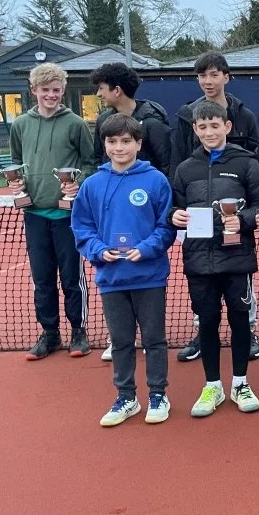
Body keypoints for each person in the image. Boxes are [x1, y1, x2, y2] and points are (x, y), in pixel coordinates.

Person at [71, 114, 176, 426]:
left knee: (154, 339)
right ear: (105, 145)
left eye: (126, 141)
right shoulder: (91, 185)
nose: (119, 147)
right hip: (111, 277)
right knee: (121, 341)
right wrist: (98, 251)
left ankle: (158, 394)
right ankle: (126, 397)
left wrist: (145, 248)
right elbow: (82, 227)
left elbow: (166, 226)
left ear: (138, 144)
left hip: (150, 276)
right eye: (113, 141)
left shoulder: (156, 180)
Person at [171, 100, 259, 417]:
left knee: (240, 320)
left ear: (227, 126)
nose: (209, 131)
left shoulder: (246, 163)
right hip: (198, 260)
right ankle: (212, 385)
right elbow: (173, 208)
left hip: (236, 257)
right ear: (195, 129)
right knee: (208, 323)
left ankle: (240, 383)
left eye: (215, 125)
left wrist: (242, 220)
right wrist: (176, 215)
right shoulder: (185, 169)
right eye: (203, 127)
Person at [171, 52, 259, 362]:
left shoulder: (245, 115)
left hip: (234, 215)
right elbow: (181, 162)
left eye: (213, 74)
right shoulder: (187, 115)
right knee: (202, 284)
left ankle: (248, 331)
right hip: (197, 213)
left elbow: (256, 159)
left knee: (240, 285)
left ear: (226, 76)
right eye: (202, 75)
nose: (207, 81)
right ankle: (203, 331)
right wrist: (179, 209)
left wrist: (236, 191)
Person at [7, 62, 98, 360]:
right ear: (34, 91)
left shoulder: (75, 123)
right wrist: (17, 183)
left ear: (63, 90)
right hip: (33, 215)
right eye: (45, 90)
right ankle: (50, 333)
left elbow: (89, 163)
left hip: (67, 216)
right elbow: (16, 160)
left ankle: (78, 332)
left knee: (72, 277)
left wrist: (77, 184)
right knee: (42, 278)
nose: (51, 95)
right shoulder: (20, 124)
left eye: (56, 90)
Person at [91, 61, 173, 362]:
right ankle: (121, 338)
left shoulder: (152, 120)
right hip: (115, 218)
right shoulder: (103, 121)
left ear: (117, 89)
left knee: (149, 295)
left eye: (102, 88)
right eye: (113, 142)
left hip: (147, 211)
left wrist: (165, 205)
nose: (99, 94)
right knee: (114, 284)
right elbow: (96, 162)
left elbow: (166, 164)